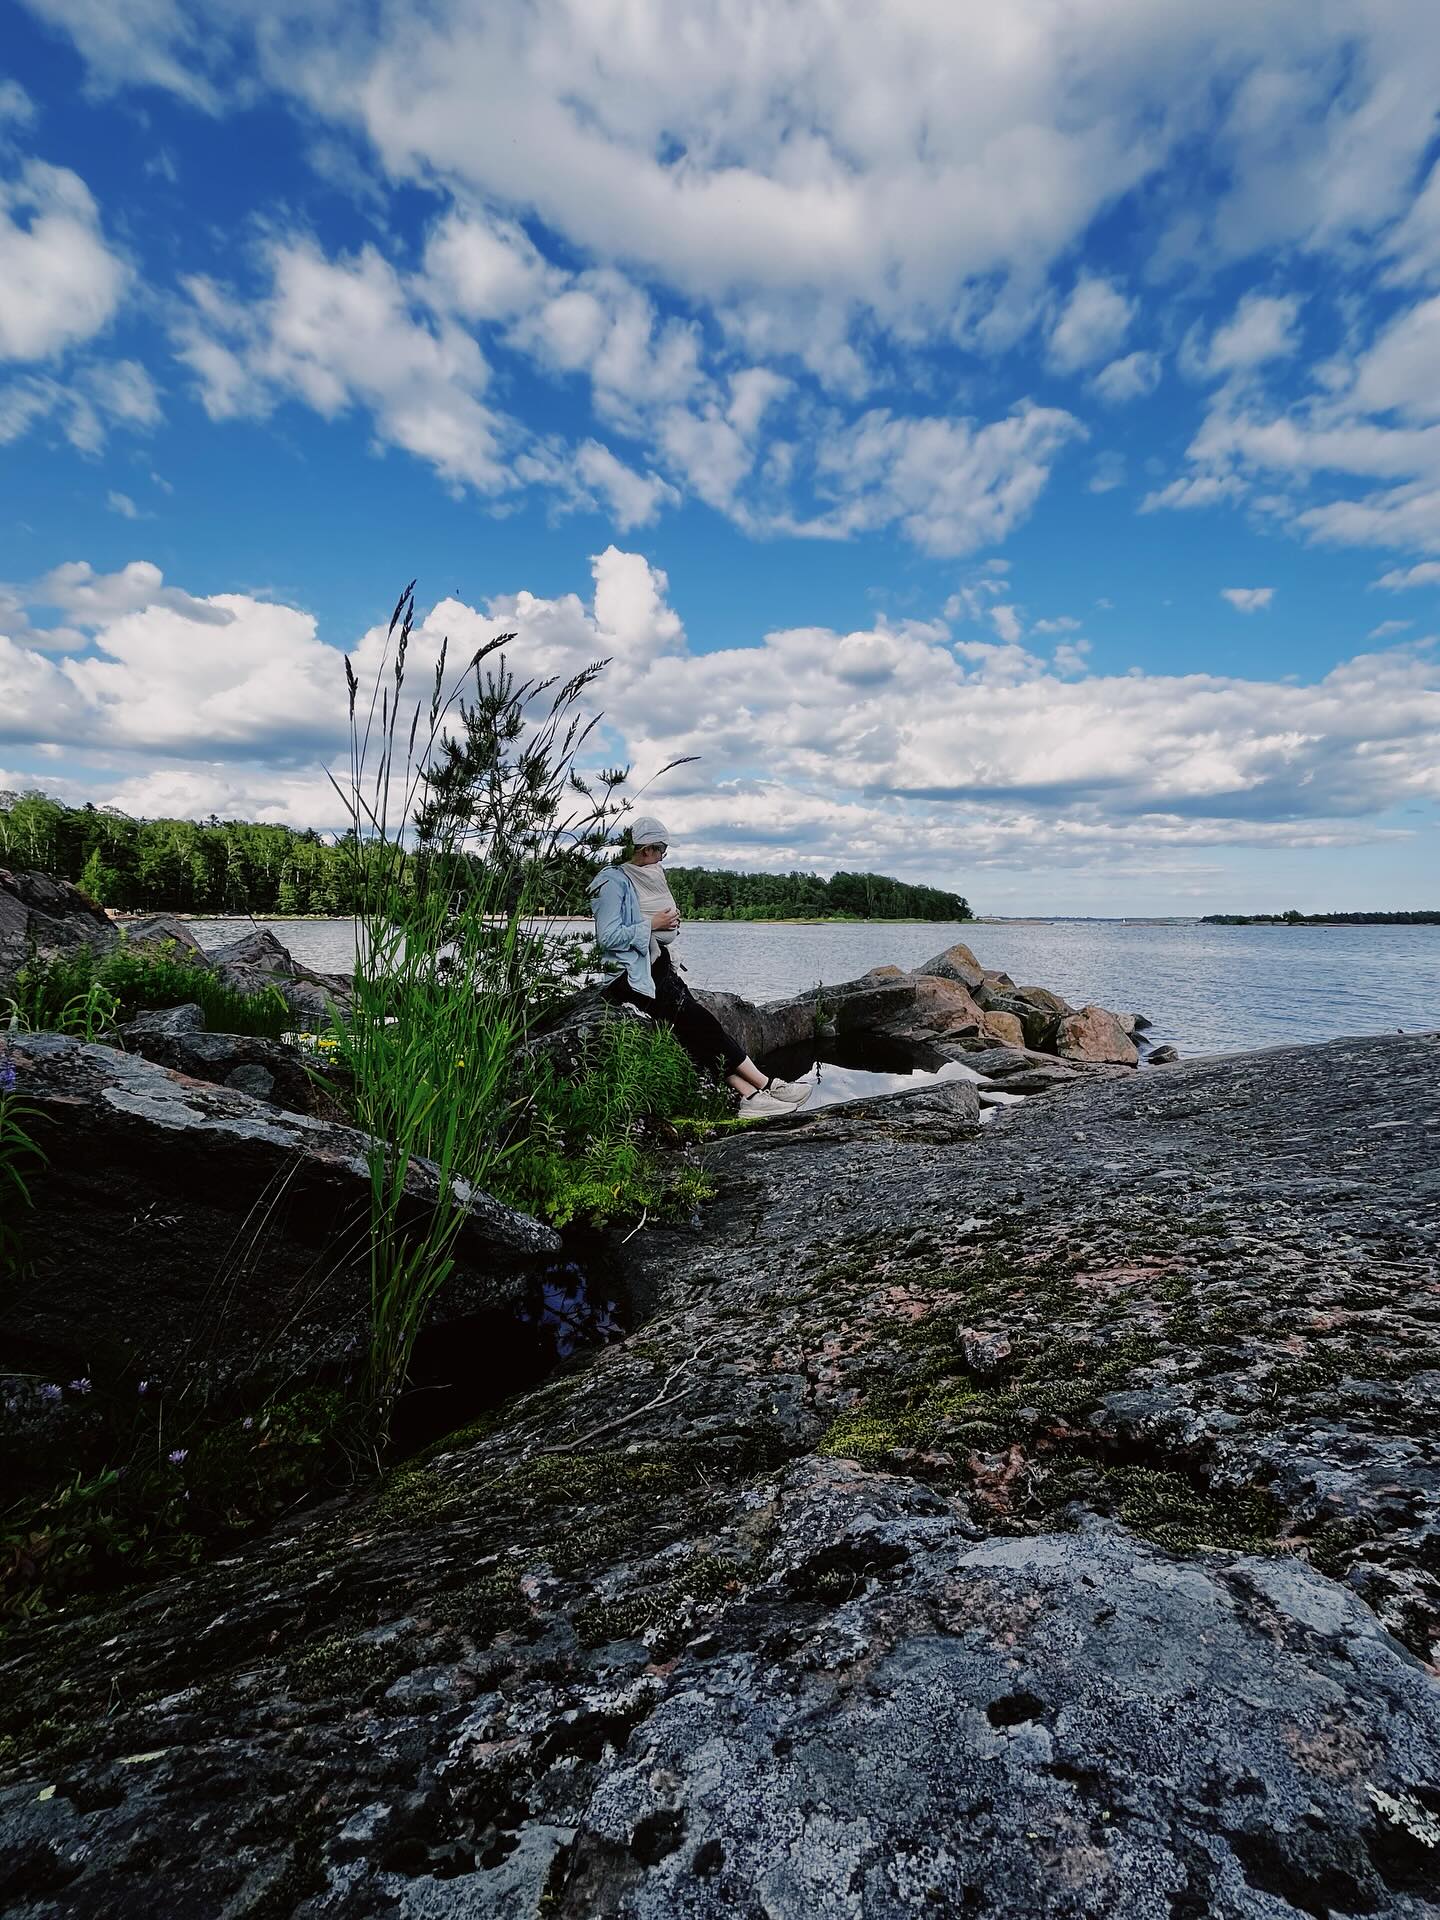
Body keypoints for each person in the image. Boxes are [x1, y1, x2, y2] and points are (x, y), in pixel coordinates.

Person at [588, 815, 812, 1117]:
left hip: (653, 967)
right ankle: (766, 1084)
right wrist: (652, 923)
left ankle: (749, 1095)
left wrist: (665, 924)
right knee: (703, 1025)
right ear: (646, 850)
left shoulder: (639, 877)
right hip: (629, 979)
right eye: (662, 850)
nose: (664, 856)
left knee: (696, 1034)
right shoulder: (612, 882)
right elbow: (608, 937)